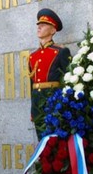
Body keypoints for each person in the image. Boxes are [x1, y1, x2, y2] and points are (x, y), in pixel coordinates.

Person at [28, 8, 71, 139]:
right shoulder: (32, 56)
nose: (39, 27)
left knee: (55, 141)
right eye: (38, 24)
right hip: (37, 102)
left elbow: (68, 79)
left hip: (53, 100)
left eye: (44, 24)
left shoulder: (60, 52)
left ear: (52, 30)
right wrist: (32, 109)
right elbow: (32, 84)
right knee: (41, 140)